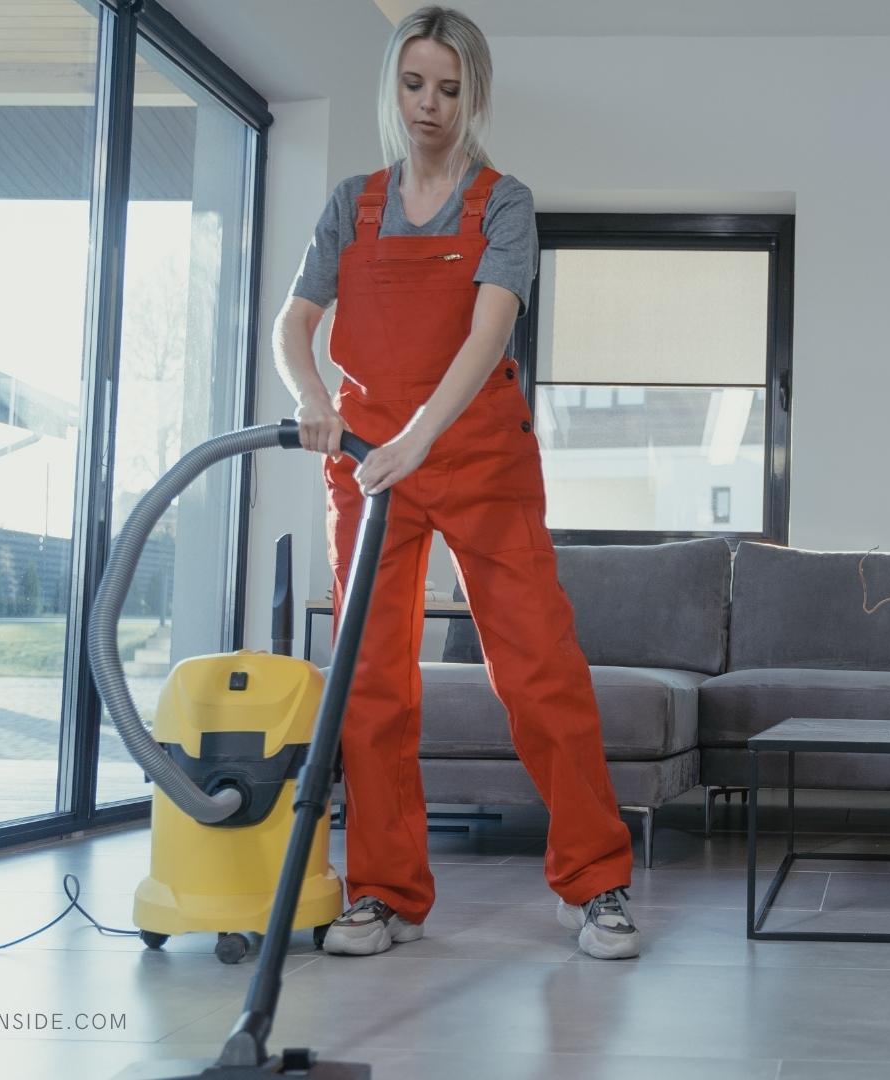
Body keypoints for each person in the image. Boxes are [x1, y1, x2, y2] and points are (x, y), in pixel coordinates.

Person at [272, 5, 638, 958]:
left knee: (538, 667)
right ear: (391, 86)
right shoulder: (352, 204)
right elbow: (293, 324)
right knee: (372, 681)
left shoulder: (501, 202)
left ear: (474, 95)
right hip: (367, 463)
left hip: (475, 452)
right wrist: (315, 397)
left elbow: (489, 333)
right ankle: (386, 894)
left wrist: (420, 438)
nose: (430, 105)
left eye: (449, 87)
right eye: (413, 84)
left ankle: (595, 882)